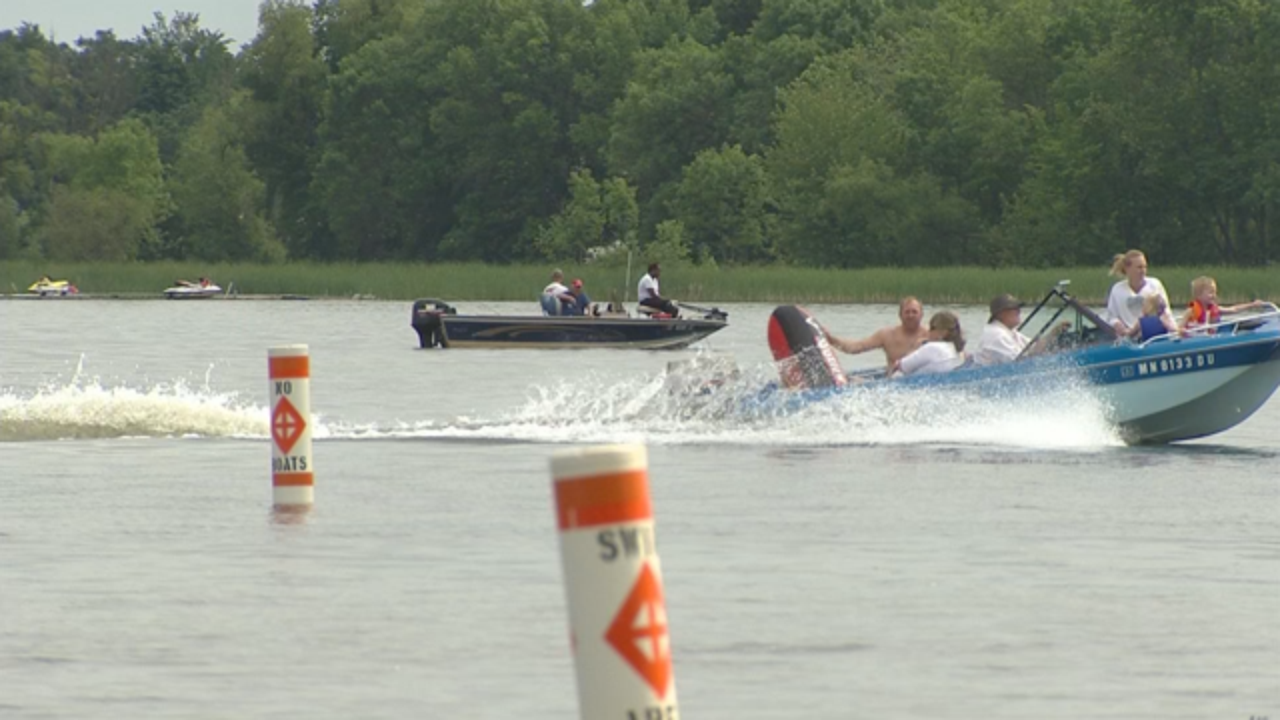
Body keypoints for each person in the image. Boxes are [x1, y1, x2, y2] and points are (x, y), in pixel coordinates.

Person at [823, 297, 929, 371]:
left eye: (914, 312)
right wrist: (831, 340)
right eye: (907, 312)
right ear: (900, 315)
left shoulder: (930, 334)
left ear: (921, 315)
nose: (911, 315)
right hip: (895, 382)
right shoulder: (887, 335)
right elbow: (856, 347)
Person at [974, 293, 1069, 366]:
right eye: (1014, 308)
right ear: (1001, 313)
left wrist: (1054, 333)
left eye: (1018, 308)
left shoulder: (1009, 332)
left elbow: (1033, 348)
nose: (1019, 311)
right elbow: (1020, 362)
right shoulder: (997, 334)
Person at [1105, 249, 1172, 334]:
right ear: (1127, 269)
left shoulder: (1155, 285)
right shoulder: (1117, 289)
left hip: (1153, 332)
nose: (1143, 271)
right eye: (1139, 267)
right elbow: (1111, 316)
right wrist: (1117, 324)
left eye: (1145, 267)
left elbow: (1166, 311)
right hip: (1128, 335)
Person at [891, 311, 965, 377]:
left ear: (943, 332)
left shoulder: (931, 348)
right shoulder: (959, 352)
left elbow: (899, 366)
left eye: (932, 328)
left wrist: (914, 348)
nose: (928, 331)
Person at [1181, 275, 1266, 332]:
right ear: (1198, 294)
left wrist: (1252, 305)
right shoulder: (1191, 311)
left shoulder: (1215, 309)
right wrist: (1182, 331)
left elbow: (1233, 309)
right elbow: (1180, 327)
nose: (1214, 296)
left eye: (1214, 292)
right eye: (1210, 293)